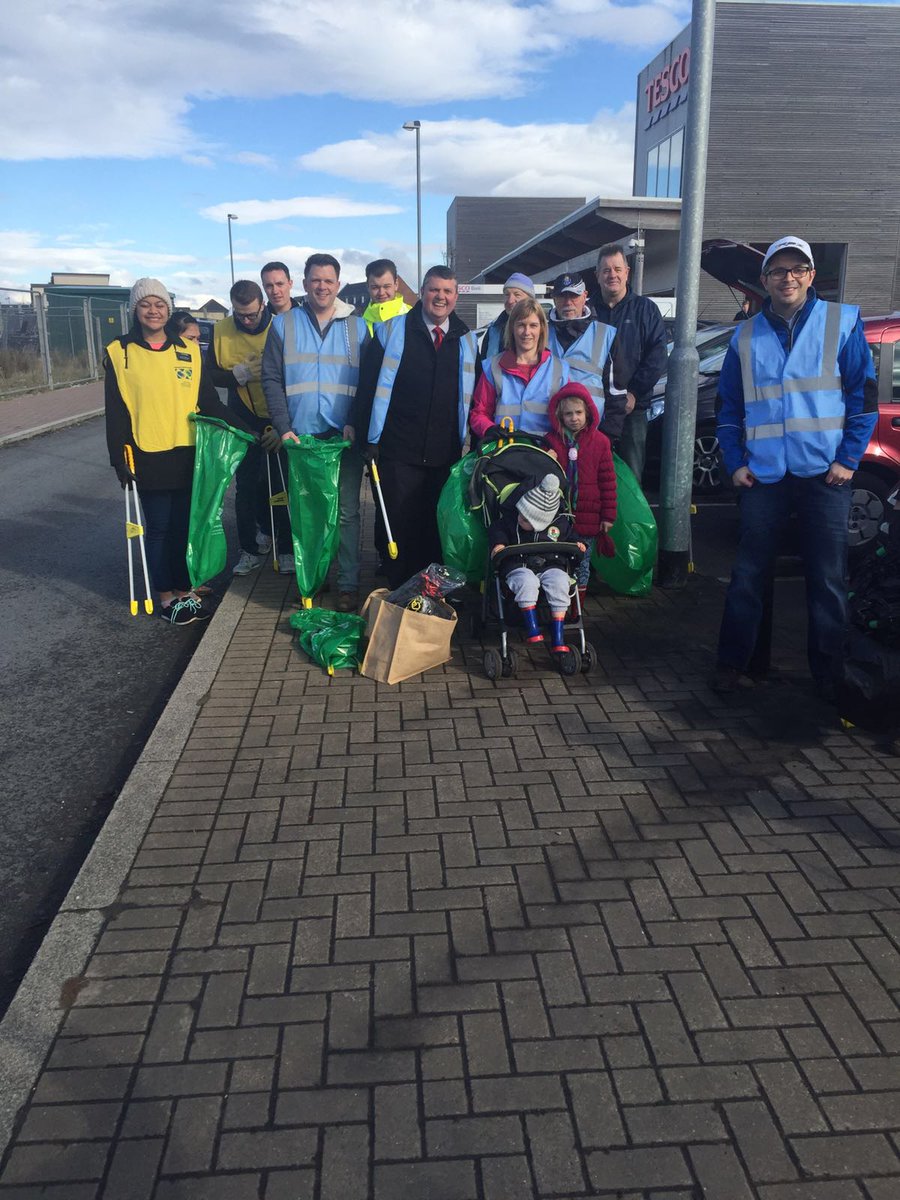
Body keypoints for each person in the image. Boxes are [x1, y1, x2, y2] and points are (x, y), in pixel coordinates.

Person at [712, 235, 878, 700]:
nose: (787, 278)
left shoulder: (840, 323)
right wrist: (734, 464)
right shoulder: (744, 335)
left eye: (796, 270)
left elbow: (861, 401)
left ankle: (829, 675)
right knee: (748, 575)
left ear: (810, 276)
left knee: (827, 578)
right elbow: (729, 408)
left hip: (825, 475)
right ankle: (738, 664)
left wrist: (849, 460)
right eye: (778, 271)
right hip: (763, 475)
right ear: (764, 280)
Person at [104, 278, 255, 624]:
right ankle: (166, 597)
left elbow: (210, 403)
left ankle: (185, 591)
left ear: (167, 310)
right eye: (146, 305)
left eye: (159, 305)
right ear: (135, 310)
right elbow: (116, 412)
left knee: (186, 528)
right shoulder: (119, 351)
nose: (153, 310)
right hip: (147, 454)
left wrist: (248, 431)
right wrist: (119, 459)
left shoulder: (188, 351)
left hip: (188, 453)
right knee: (159, 528)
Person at [354, 265, 480, 590]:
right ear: (422, 292)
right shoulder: (391, 331)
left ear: (455, 297)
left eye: (447, 291)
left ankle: (430, 595)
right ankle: (399, 593)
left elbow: (475, 394)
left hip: (444, 453)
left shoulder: (466, 340)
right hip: (397, 450)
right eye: (434, 290)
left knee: (434, 527)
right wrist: (365, 437)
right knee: (399, 525)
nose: (440, 297)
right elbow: (367, 386)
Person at [261, 253, 369, 611]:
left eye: (328, 280)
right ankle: (313, 578)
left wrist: (356, 419)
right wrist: (284, 427)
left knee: (347, 513)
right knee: (309, 513)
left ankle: (348, 584)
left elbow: (365, 383)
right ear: (303, 284)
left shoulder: (358, 326)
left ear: (338, 284)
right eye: (315, 280)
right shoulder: (283, 325)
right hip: (302, 439)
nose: (322, 286)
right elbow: (272, 379)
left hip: (344, 437)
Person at [206, 280, 290, 575]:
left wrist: (283, 426)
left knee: (280, 485)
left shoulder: (281, 327)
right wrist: (236, 375)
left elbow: (295, 375)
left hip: (278, 417)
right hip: (242, 418)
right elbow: (209, 377)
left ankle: (287, 547)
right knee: (246, 487)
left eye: (251, 314)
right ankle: (250, 550)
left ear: (263, 306)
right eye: (239, 314)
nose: (245, 320)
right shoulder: (221, 330)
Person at [589, 243, 668, 483]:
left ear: (627, 272)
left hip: (631, 411)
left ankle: (630, 522)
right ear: (597, 276)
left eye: (617, 269)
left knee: (631, 476)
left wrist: (633, 393)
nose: (612, 275)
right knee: (591, 474)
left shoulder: (646, 310)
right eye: (606, 270)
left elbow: (657, 356)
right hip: (594, 411)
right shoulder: (588, 311)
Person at [488, 473, 586, 657]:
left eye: (527, 520)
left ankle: (558, 636)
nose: (521, 519)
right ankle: (532, 627)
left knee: (560, 582)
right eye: (521, 514)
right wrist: (499, 544)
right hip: (519, 566)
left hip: (551, 566)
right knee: (527, 581)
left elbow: (573, 536)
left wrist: (579, 544)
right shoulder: (510, 521)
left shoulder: (560, 524)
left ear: (540, 524)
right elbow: (497, 530)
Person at [542, 382, 617, 610]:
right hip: (559, 516)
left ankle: (575, 608)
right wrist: (548, 457)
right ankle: (556, 606)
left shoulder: (600, 442)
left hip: (588, 518)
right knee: (555, 562)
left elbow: (608, 481)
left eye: (578, 412)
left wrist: (608, 516)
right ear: (559, 416)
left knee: (582, 564)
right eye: (568, 414)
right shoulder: (552, 441)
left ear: (588, 412)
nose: (574, 418)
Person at [469, 298, 567, 441]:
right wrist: (489, 429)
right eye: (521, 325)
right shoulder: (493, 367)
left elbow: (568, 416)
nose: (527, 332)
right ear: (512, 328)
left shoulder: (560, 369)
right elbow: (479, 412)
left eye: (533, 325)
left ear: (542, 329)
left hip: (545, 453)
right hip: (504, 451)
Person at [546, 272, 628, 442]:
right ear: (554, 300)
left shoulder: (606, 335)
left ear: (585, 296)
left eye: (574, 296)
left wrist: (606, 438)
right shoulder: (540, 334)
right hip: (549, 435)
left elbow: (616, 393)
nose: (568, 302)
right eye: (562, 296)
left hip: (592, 435)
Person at [480, 273, 536, 360]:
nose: (510, 301)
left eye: (517, 295)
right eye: (507, 295)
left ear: (530, 300)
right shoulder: (493, 330)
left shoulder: (541, 330)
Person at [362, 258, 411, 334]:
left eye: (386, 286)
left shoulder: (412, 315)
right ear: (367, 287)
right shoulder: (360, 323)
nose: (381, 293)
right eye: (375, 287)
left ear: (396, 284)